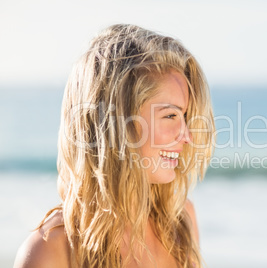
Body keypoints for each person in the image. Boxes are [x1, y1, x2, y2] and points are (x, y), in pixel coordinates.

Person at [14, 24, 215, 268]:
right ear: (118, 125)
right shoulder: (52, 250)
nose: (186, 136)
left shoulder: (180, 222)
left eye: (185, 116)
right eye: (170, 116)